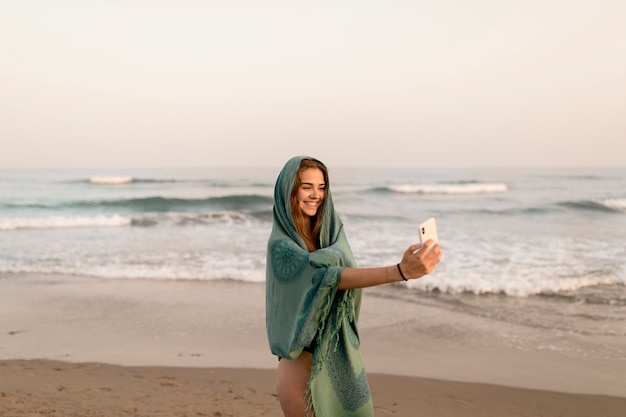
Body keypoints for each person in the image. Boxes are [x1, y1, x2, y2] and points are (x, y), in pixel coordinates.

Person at [265, 156, 442, 417]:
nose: (316, 195)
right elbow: (329, 278)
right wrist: (400, 272)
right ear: (289, 190)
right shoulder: (281, 248)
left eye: (322, 187)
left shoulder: (331, 233)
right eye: (306, 186)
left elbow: (344, 273)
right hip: (300, 372)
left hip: (339, 364)